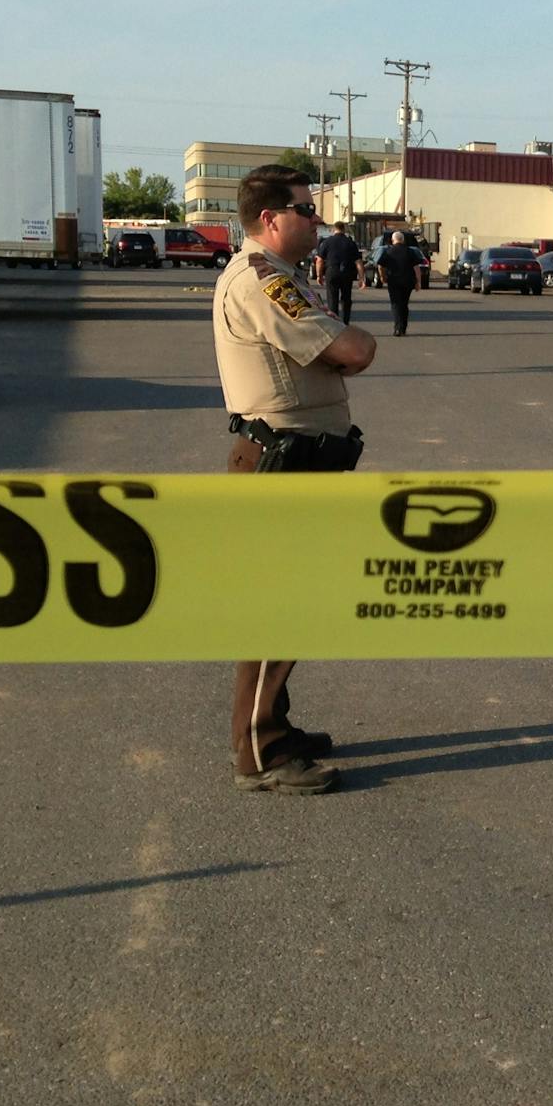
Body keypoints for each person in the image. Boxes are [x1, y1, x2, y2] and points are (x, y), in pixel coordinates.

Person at [212, 166, 378, 793]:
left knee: (289, 600)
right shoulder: (263, 281)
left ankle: (270, 726)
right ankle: (260, 751)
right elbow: (353, 351)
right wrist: (348, 342)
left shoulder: (281, 277)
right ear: (270, 219)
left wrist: (341, 344)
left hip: (298, 456)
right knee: (275, 606)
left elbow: (337, 352)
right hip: (280, 460)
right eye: (307, 211)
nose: (317, 221)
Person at [312, 219, 361, 322]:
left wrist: (319, 275)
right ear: (344, 229)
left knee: (332, 298)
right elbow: (358, 262)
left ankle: (334, 322)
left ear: (333, 229)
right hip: (347, 272)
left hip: (332, 271)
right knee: (346, 298)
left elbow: (319, 260)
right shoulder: (350, 243)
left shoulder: (327, 242)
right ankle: (345, 322)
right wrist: (362, 277)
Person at [378, 228, 422, 337]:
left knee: (395, 304)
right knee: (404, 303)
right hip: (408, 281)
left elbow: (380, 265)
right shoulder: (410, 251)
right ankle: (403, 328)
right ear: (403, 240)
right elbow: (416, 268)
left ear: (393, 240)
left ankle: (397, 328)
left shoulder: (388, 251)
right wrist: (418, 282)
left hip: (394, 281)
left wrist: (382, 277)